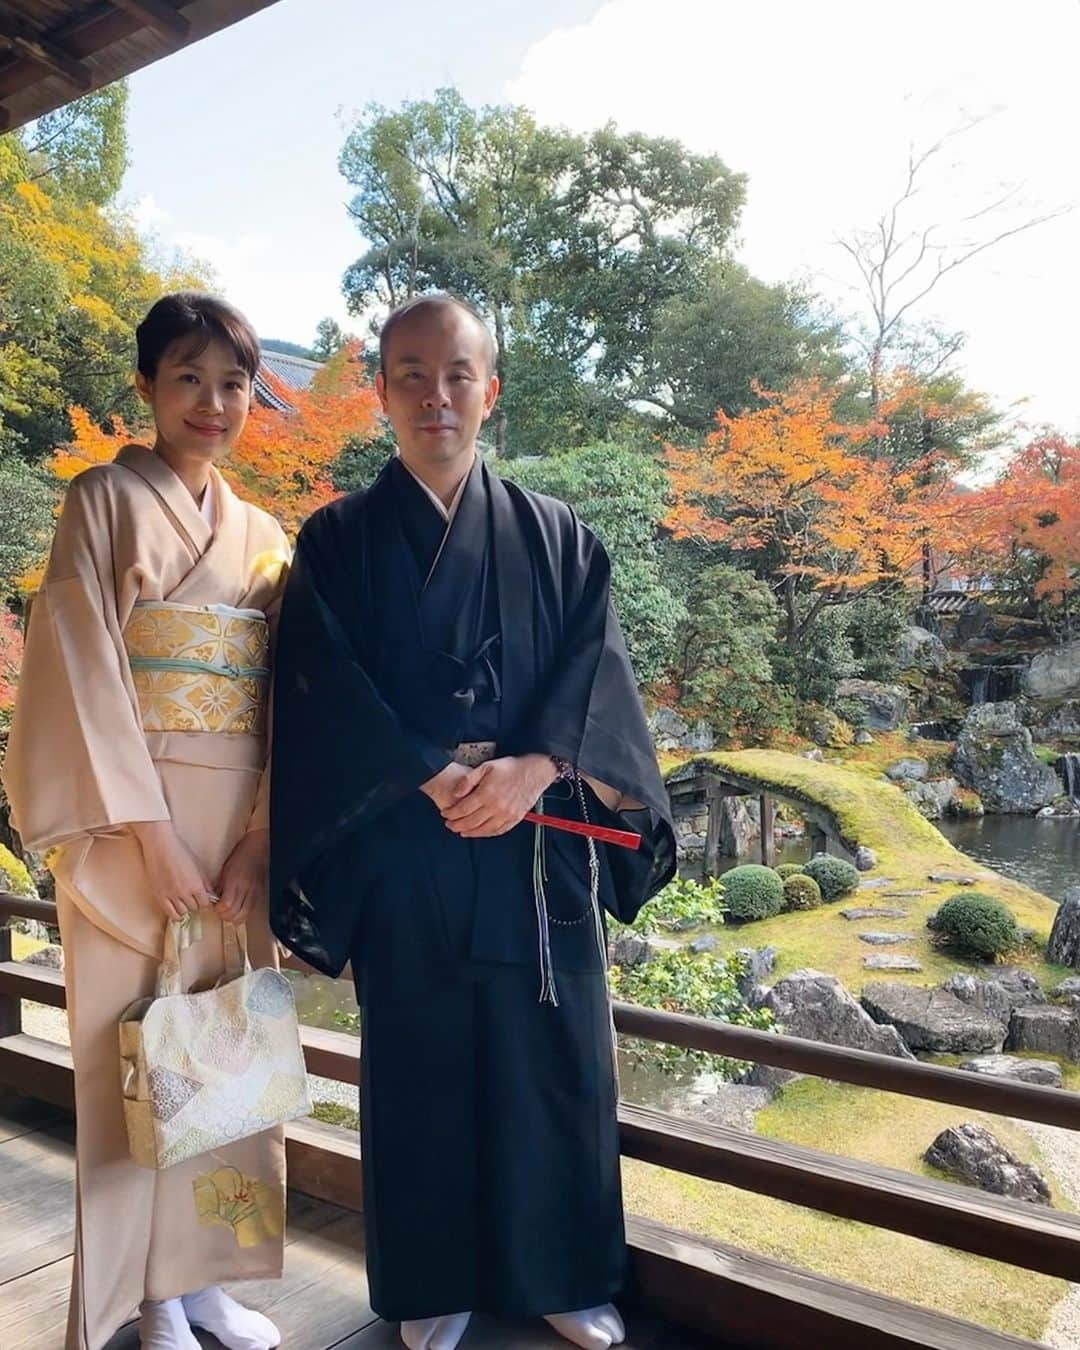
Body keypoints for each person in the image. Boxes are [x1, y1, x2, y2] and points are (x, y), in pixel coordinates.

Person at [270, 293, 675, 1350]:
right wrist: (421, 773)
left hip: (537, 853)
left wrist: (536, 768)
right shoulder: (339, 540)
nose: (434, 394)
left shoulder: (561, 539)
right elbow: (319, 682)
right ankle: (430, 1280)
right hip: (409, 845)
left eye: (456, 373)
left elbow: (599, 677)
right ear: (382, 394)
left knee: (553, 1061)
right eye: (410, 373)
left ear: (491, 389)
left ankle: (565, 1274)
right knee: (421, 1063)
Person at [3, 293, 291, 1350]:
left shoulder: (266, 538)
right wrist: (148, 832)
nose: (213, 403)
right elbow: (79, 668)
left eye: (233, 383)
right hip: (136, 826)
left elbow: (282, 698)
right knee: (126, 1055)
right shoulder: (103, 501)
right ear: (147, 387)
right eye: (188, 378)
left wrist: (260, 833)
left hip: (233, 831)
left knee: (222, 1049)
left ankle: (207, 1275)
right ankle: (146, 1295)